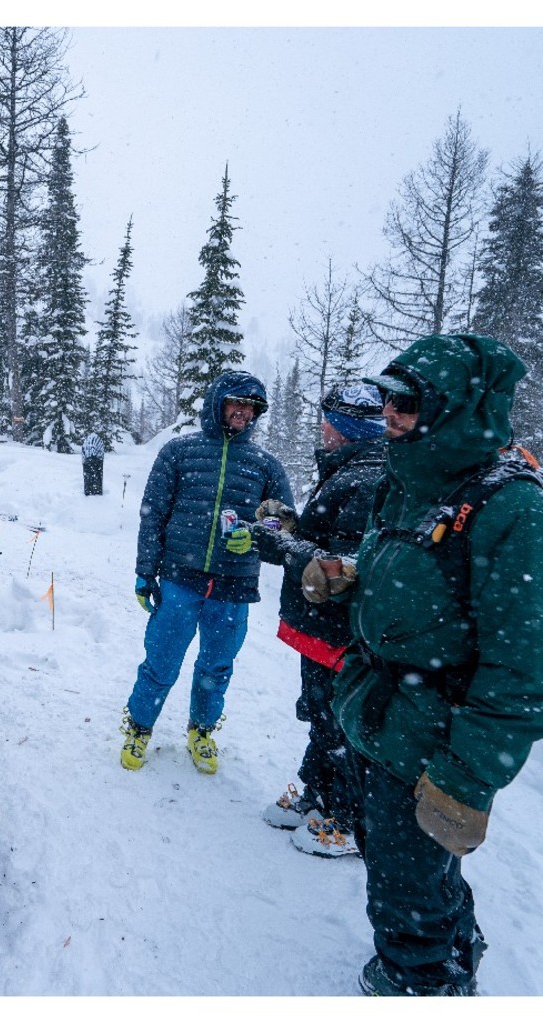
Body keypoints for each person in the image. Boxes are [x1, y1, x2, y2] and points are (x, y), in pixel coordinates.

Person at [324, 333, 543, 996]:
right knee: (406, 859)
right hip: (381, 715)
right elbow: (417, 575)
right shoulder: (410, 480)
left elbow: (523, 671)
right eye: (388, 400)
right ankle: (452, 942)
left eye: (408, 404)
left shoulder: (513, 509)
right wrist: (353, 578)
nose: (390, 415)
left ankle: (420, 981)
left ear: (458, 408)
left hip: (435, 737)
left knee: (404, 879)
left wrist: (466, 778)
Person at [120, 370, 293, 774]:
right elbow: (153, 516)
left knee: (217, 666)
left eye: (251, 408)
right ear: (218, 404)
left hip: (235, 586)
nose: (244, 413)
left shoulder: (266, 465)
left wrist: (255, 537)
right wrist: (146, 573)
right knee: (161, 661)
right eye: (237, 404)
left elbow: (283, 523)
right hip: (181, 579)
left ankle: (201, 730)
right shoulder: (179, 452)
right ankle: (139, 725)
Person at [252, 383, 387, 857]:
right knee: (321, 716)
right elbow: (331, 544)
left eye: (329, 420)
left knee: (340, 724)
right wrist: (292, 527)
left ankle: (347, 820)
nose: (323, 428)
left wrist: (282, 546)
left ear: (348, 427)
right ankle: (319, 795)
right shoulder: (350, 471)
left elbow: (347, 567)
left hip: (342, 634)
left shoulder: (368, 477)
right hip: (324, 632)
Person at [81, 431, 105, 495]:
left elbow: (83, 452)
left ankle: (89, 490)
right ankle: (96, 490)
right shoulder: (98, 440)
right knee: (97, 476)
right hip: (97, 460)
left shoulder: (87, 441)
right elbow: (101, 453)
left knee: (88, 476)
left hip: (88, 459)